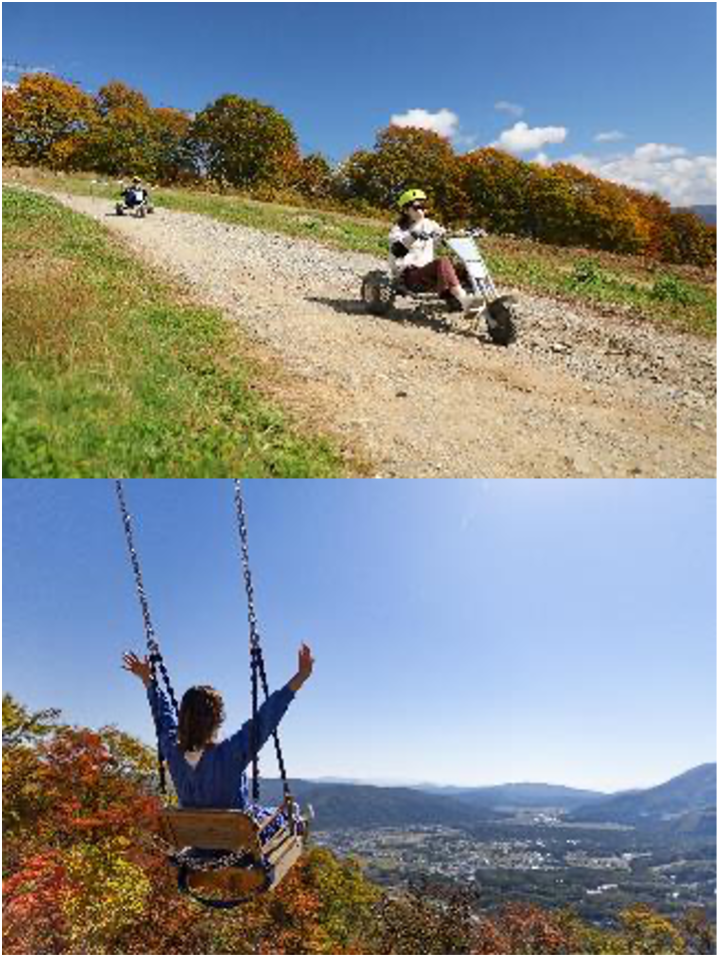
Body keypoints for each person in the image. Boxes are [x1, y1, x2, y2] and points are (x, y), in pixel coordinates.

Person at [122, 644, 314, 812]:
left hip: (196, 839)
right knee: (291, 812)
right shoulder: (231, 752)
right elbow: (266, 719)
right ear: (217, 720)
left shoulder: (172, 749)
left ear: (183, 717)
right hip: (236, 843)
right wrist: (300, 677)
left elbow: (163, 716)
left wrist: (148, 680)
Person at [389, 189, 485, 313]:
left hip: (428, 274)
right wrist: (413, 236)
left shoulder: (430, 224)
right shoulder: (398, 230)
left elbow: (446, 235)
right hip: (410, 277)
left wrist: (468, 232)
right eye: (417, 207)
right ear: (406, 210)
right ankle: (464, 300)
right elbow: (396, 251)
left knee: (464, 266)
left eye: (424, 206)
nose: (422, 210)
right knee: (442, 261)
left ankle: (478, 299)